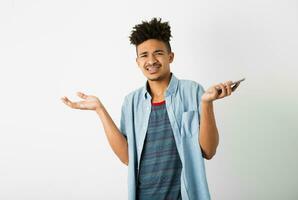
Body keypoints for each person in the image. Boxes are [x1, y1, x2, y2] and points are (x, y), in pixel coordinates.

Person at [61, 17, 238, 200]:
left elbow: (208, 151)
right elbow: (127, 158)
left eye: (158, 53)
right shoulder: (131, 102)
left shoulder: (193, 91)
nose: (151, 60)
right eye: (144, 55)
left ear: (170, 56)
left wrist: (206, 104)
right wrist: (100, 110)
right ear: (137, 61)